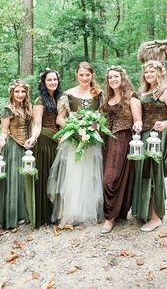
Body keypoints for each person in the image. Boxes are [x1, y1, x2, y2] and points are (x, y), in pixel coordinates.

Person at [47, 61, 104, 228]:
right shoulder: (68, 95)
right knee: (73, 175)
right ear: (76, 75)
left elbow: (101, 117)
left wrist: (93, 127)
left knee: (90, 174)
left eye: (87, 75)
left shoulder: (98, 94)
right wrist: (76, 129)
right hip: (73, 141)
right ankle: (71, 213)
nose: (84, 78)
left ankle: (88, 211)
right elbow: (60, 119)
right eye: (81, 75)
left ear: (92, 75)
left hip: (91, 141)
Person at [132, 60, 167, 232]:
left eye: (152, 71)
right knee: (144, 172)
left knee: (154, 173)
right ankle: (144, 211)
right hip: (145, 135)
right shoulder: (145, 91)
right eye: (146, 72)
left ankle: (155, 216)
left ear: (160, 73)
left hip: (158, 136)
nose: (148, 75)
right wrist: (138, 124)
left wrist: (166, 123)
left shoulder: (166, 92)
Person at [100, 66, 142, 234]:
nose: (113, 80)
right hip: (105, 140)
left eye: (116, 76)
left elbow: (138, 119)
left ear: (122, 78)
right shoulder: (107, 98)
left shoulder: (131, 98)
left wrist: (137, 125)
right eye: (110, 77)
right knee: (104, 175)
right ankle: (114, 213)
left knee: (110, 179)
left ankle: (109, 218)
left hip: (122, 139)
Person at [24, 68, 62, 228]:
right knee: (46, 175)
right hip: (45, 140)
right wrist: (33, 138)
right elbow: (37, 124)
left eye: (55, 79)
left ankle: (56, 212)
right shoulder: (40, 100)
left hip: (59, 141)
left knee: (58, 177)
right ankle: (43, 214)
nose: (53, 82)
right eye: (49, 80)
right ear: (44, 83)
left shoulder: (61, 98)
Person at [0, 79, 35, 229]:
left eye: (23, 91)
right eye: (17, 91)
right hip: (13, 147)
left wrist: (31, 140)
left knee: (24, 180)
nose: (20, 94)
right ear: (11, 93)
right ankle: (11, 216)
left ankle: (24, 213)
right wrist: (1, 138)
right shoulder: (8, 109)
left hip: (27, 147)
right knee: (14, 180)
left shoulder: (28, 108)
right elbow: (5, 130)